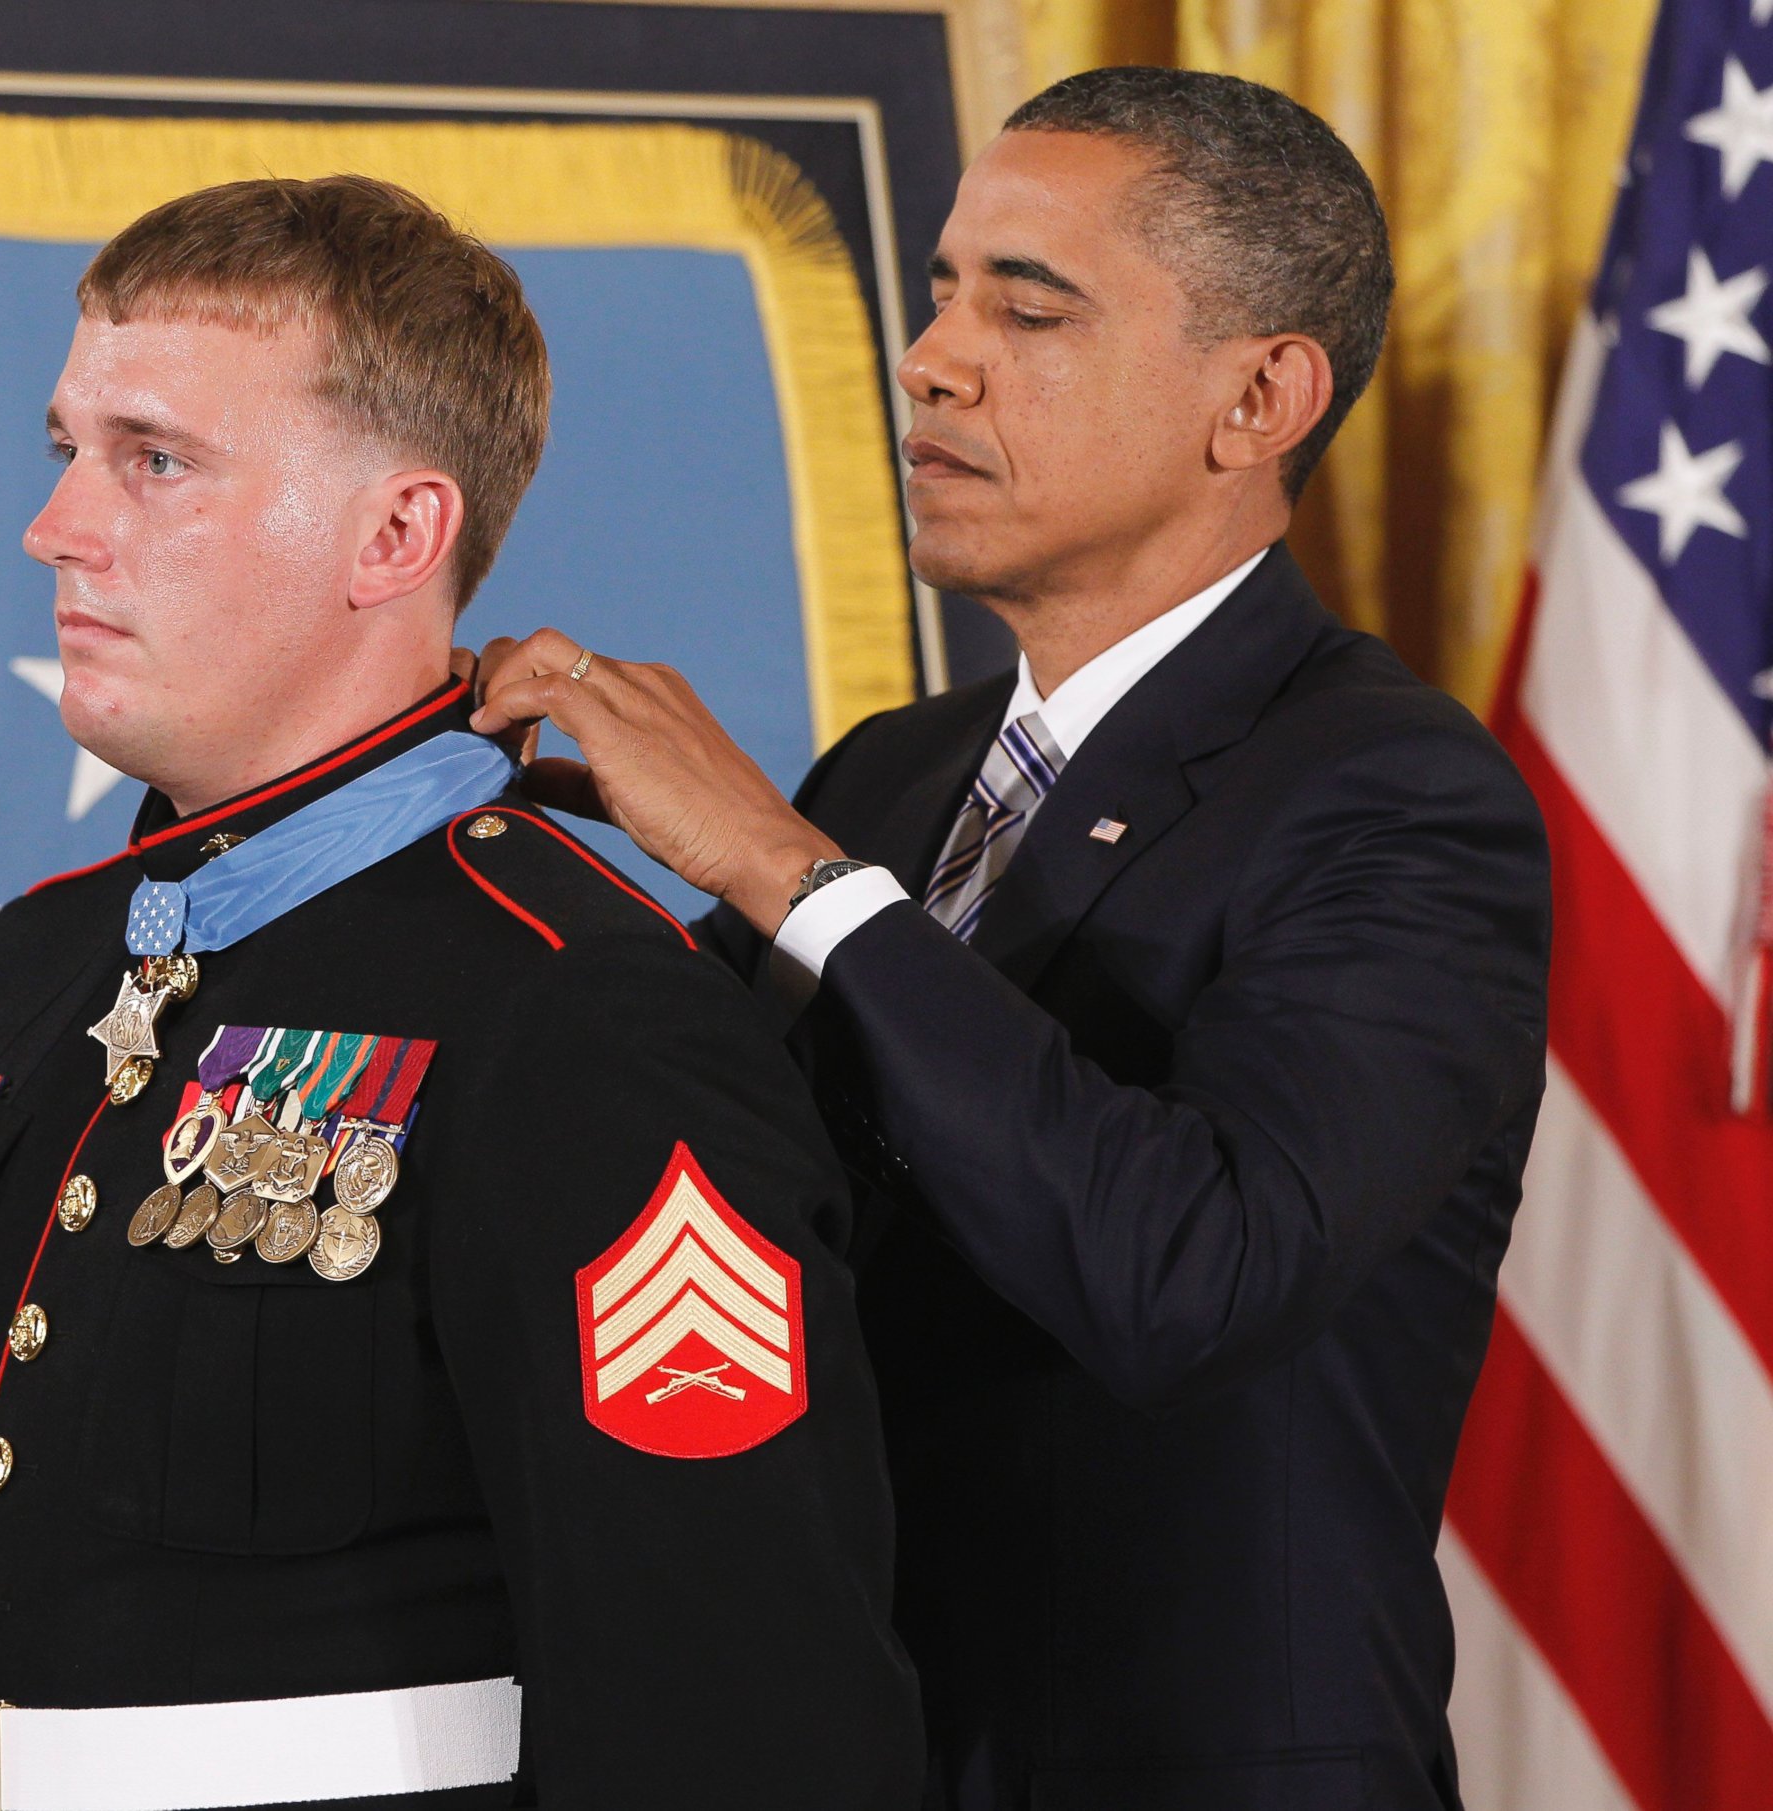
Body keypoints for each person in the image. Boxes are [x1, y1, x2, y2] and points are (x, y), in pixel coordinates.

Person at [472, 69, 1551, 1811]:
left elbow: (1189, 1277)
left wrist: (780, 868)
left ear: (1261, 395)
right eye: (943, 291)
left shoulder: (1400, 797)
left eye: (1026, 307)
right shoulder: (893, 779)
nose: (932, 358)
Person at [0, 174, 922, 1811]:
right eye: (67, 449)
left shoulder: (581, 1014)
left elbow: (742, 1713)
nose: (58, 524)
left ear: (398, 535)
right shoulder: (41, 964)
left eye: (156, 462)